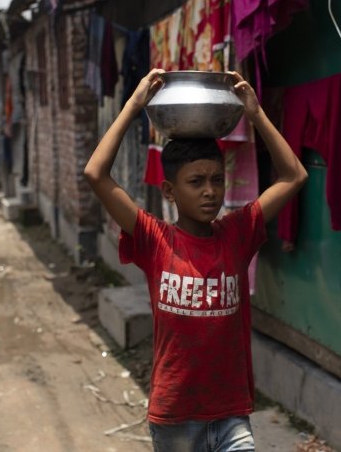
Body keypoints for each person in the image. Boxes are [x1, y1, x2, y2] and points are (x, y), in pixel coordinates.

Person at [84, 68, 308, 451]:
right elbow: (95, 173)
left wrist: (255, 114)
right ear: (169, 191)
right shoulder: (154, 239)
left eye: (217, 180)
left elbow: (294, 176)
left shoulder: (237, 234)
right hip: (175, 419)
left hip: (231, 414)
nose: (210, 192)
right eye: (196, 182)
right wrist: (134, 105)